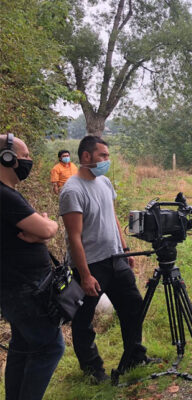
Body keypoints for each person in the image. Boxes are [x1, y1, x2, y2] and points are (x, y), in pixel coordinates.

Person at [60, 135, 155, 383]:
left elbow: (111, 216)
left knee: (133, 306)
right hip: (90, 265)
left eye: (108, 156)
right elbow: (74, 237)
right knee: (83, 320)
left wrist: (124, 249)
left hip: (115, 259)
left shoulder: (104, 182)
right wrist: (86, 275)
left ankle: (135, 355)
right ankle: (93, 370)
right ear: (86, 157)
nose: (106, 160)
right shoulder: (72, 190)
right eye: (102, 155)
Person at [0, 133, 65, 399]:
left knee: (23, 346)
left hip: (16, 288)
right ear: (7, 157)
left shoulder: (9, 195)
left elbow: (39, 230)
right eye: (25, 156)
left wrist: (40, 229)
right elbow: (47, 228)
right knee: (50, 348)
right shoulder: (5, 196)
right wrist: (45, 227)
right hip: (25, 289)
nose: (29, 161)